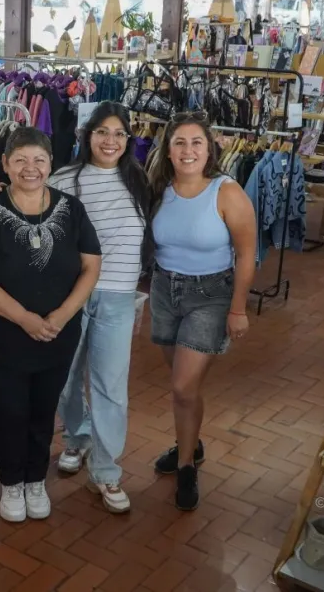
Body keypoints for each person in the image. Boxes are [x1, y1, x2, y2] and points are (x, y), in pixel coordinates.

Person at [0, 127, 101, 523]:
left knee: (43, 412)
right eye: (20, 159)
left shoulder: (72, 209)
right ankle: (11, 482)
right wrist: (24, 318)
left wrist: (62, 315)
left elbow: (91, 266)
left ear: (50, 164)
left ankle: (35, 479)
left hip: (57, 334)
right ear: (5, 164)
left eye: (39, 159)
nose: (30, 167)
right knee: (10, 412)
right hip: (2, 336)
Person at [147, 113, 256, 512]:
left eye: (196, 142)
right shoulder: (159, 187)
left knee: (183, 388)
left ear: (209, 149)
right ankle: (189, 440)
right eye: (179, 142)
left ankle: (187, 463)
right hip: (164, 291)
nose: (187, 150)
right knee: (182, 387)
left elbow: (246, 253)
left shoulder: (226, 192)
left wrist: (239, 308)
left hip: (211, 295)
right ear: (168, 149)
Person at [49, 102, 150, 514]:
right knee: (65, 380)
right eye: (102, 132)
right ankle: (78, 436)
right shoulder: (64, 179)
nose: (110, 141)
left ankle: (107, 472)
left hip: (118, 296)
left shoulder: (142, 181)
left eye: (119, 134)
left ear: (128, 140)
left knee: (111, 387)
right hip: (69, 295)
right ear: (86, 135)